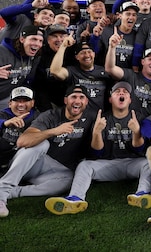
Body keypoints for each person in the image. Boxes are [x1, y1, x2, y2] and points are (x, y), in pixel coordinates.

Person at [44, 82, 151, 215]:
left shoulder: (138, 117)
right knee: (85, 165)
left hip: (132, 164)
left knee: (149, 163)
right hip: (108, 164)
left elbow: (139, 150)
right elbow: (97, 153)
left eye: (125, 92)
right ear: (110, 99)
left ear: (130, 99)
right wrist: (97, 132)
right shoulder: (102, 119)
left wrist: (136, 132)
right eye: (117, 91)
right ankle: (75, 198)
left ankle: (142, 194)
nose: (121, 93)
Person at [0, 85, 95, 217]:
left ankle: (14, 192)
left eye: (81, 97)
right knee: (41, 144)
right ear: (66, 100)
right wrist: (54, 131)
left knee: (68, 180)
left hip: (51, 169)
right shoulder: (50, 116)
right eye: (73, 97)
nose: (77, 101)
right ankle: (2, 193)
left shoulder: (91, 117)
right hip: (31, 162)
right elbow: (22, 141)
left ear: (86, 102)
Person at [105, 29, 151, 121]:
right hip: (127, 124)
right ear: (142, 62)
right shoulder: (131, 75)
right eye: (150, 59)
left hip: (146, 126)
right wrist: (112, 47)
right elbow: (110, 69)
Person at [50, 37, 112, 114]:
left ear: (94, 54)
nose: (87, 55)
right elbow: (55, 71)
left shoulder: (104, 71)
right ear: (77, 57)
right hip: (77, 117)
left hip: (99, 117)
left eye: (89, 52)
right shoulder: (72, 71)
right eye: (82, 53)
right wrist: (63, 46)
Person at [0, 25, 44, 107]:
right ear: (22, 39)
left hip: (8, 98)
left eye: (40, 41)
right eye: (33, 39)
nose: (37, 44)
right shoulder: (2, 51)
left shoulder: (35, 57)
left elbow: (29, 79)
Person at [0, 87, 39, 172]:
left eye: (25, 100)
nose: (21, 104)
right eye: (17, 100)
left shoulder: (39, 117)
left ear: (32, 103)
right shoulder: (3, 114)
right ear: (10, 103)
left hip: (24, 162)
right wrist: (4, 123)